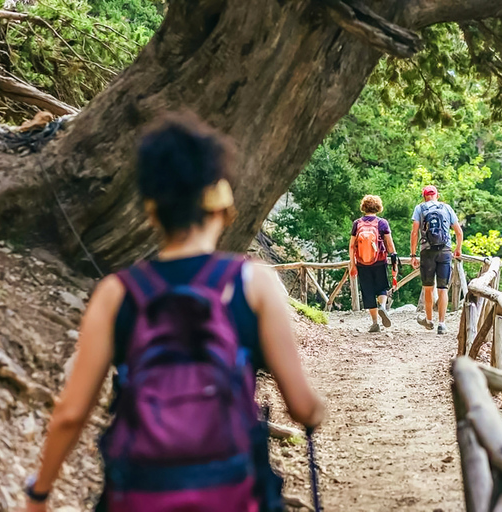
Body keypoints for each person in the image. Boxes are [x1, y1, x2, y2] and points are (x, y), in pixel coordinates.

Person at [21, 114, 325, 512]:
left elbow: (71, 414)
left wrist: (38, 494)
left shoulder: (116, 294)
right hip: (233, 493)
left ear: (151, 211)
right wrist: (317, 410)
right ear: (221, 204)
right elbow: (302, 407)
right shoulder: (254, 283)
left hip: (139, 494)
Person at [410, 185, 463, 335]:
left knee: (428, 288)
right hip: (445, 251)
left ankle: (429, 320)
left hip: (427, 251)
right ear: (437, 195)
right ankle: (442, 324)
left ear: (424, 196)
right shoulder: (447, 208)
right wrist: (458, 249)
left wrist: (413, 255)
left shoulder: (419, 208)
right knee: (443, 288)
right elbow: (459, 232)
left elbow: (414, 233)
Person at [349, 195, 398, 332]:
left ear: (363, 207)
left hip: (362, 263)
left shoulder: (357, 223)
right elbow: (390, 244)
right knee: (382, 287)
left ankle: (375, 323)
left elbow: (352, 246)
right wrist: (394, 263)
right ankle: (382, 305)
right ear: (378, 207)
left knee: (368, 292)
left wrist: (353, 264)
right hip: (380, 261)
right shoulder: (382, 223)